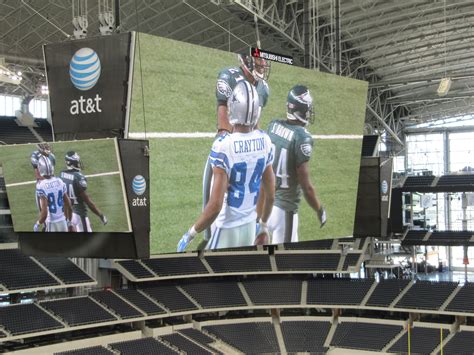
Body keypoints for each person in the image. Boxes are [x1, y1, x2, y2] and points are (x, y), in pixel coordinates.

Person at [178, 80, 275, 252]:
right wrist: (263, 224)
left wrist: (191, 233)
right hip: (249, 228)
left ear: (234, 108)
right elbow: (270, 193)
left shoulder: (224, 145)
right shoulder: (265, 140)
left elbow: (215, 205)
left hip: (227, 229)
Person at [199, 53, 271, 247]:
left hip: (246, 138)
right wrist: (233, 144)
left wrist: (252, 143)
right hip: (229, 138)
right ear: (246, 61)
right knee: (209, 180)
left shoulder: (263, 88)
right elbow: (223, 119)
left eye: (263, 61)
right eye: (258, 61)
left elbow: (254, 120)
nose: (263, 64)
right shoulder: (229, 76)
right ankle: (208, 233)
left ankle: (253, 220)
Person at [266, 85, 326, 244]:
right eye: (307, 108)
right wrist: (319, 209)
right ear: (301, 110)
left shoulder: (272, 126)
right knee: (285, 264)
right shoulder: (301, 137)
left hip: (264, 205)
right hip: (285, 211)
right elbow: (307, 187)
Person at [59, 151, 107, 232]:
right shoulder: (79, 177)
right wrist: (100, 215)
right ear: (73, 163)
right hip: (80, 215)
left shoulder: (61, 175)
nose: (79, 163)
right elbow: (88, 202)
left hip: (68, 214)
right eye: (77, 162)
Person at [34, 155, 72, 232]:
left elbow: (44, 213)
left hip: (52, 223)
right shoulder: (60, 181)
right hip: (63, 222)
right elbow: (69, 204)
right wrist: (68, 221)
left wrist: (38, 223)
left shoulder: (41, 185)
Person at [31, 142, 56, 209]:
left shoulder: (52, 157)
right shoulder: (36, 156)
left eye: (48, 147)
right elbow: (38, 175)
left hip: (52, 183)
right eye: (46, 148)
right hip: (43, 185)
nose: (48, 149)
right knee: (43, 209)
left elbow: (52, 172)